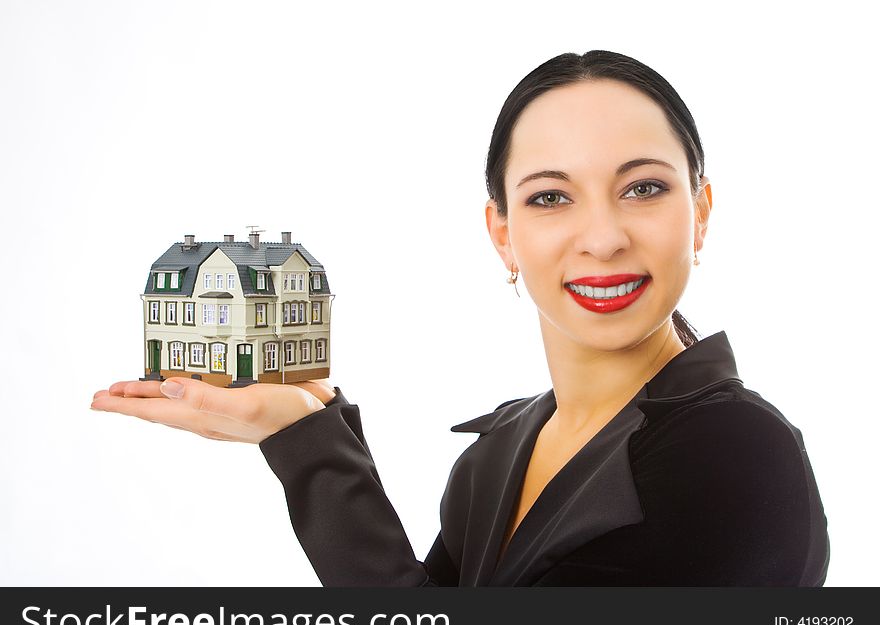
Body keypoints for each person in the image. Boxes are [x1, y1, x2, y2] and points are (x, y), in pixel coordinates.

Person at [91, 50, 830, 586]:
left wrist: (312, 450)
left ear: (698, 213)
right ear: (502, 233)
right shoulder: (498, 452)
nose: (603, 236)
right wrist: (301, 432)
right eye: (550, 196)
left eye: (642, 188)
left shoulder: (736, 454)